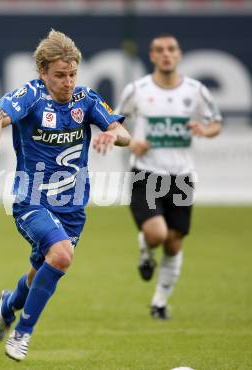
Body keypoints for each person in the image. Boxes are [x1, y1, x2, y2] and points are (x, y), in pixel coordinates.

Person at [0, 29, 131, 361]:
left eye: (73, 74)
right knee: (61, 256)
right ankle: (22, 334)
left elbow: (124, 133)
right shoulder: (30, 96)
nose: (68, 82)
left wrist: (111, 135)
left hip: (73, 207)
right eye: (60, 75)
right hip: (30, 200)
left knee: (41, 270)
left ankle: (9, 304)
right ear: (43, 72)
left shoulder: (86, 99)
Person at [115, 34, 222, 320]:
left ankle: (159, 302)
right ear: (151, 56)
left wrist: (204, 130)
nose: (166, 54)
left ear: (179, 54)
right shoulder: (136, 90)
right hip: (146, 174)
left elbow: (216, 123)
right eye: (160, 50)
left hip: (182, 177)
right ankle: (146, 248)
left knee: (174, 242)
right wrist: (129, 141)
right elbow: (114, 123)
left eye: (171, 49)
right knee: (157, 234)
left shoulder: (197, 91)